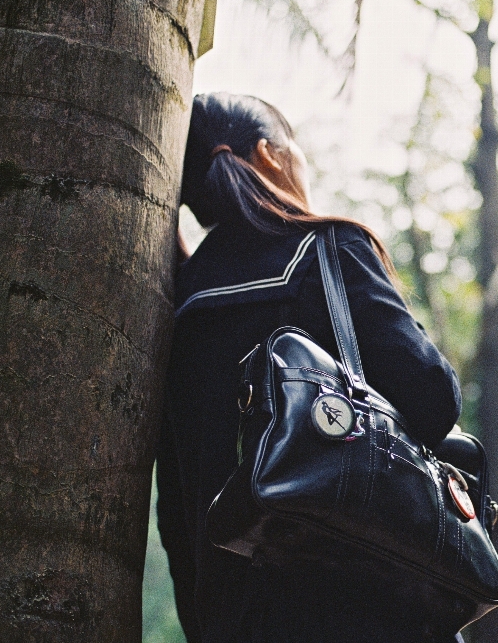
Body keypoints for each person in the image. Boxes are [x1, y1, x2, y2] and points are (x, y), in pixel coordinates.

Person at [156, 93, 464, 643]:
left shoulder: (175, 306)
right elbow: (433, 399)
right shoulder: (325, 250)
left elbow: (177, 513)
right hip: (366, 607)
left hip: (242, 618)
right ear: (270, 155)